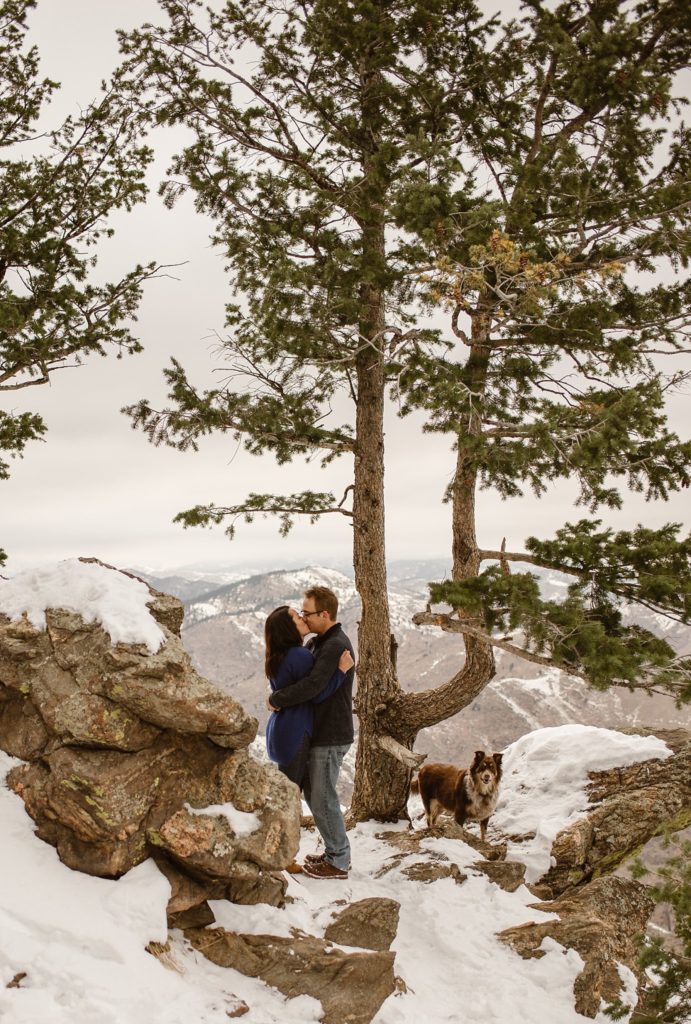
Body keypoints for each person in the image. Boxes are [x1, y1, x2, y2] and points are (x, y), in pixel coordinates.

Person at [267, 586, 355, 880]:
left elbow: (313, 690)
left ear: (324, 614)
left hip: (331, 733)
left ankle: (339, 860)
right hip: (317, 732)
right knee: (316, 797)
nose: (304, 616)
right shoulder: (318, 643)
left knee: (323, 797)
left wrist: (277, 699)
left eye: (307, 612)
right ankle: (334, 853)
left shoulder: (334, 646)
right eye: (301, 613)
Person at [264, 605, 352, 788]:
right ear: (289, 628)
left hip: (280, 729)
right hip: (295, 730)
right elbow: (316, 694)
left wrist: (274, 699)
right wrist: (340, 672)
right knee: (291, 794)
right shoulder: (299, 655)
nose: (303, 618)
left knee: (288, 791)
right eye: (298, 617)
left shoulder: (278, 655)